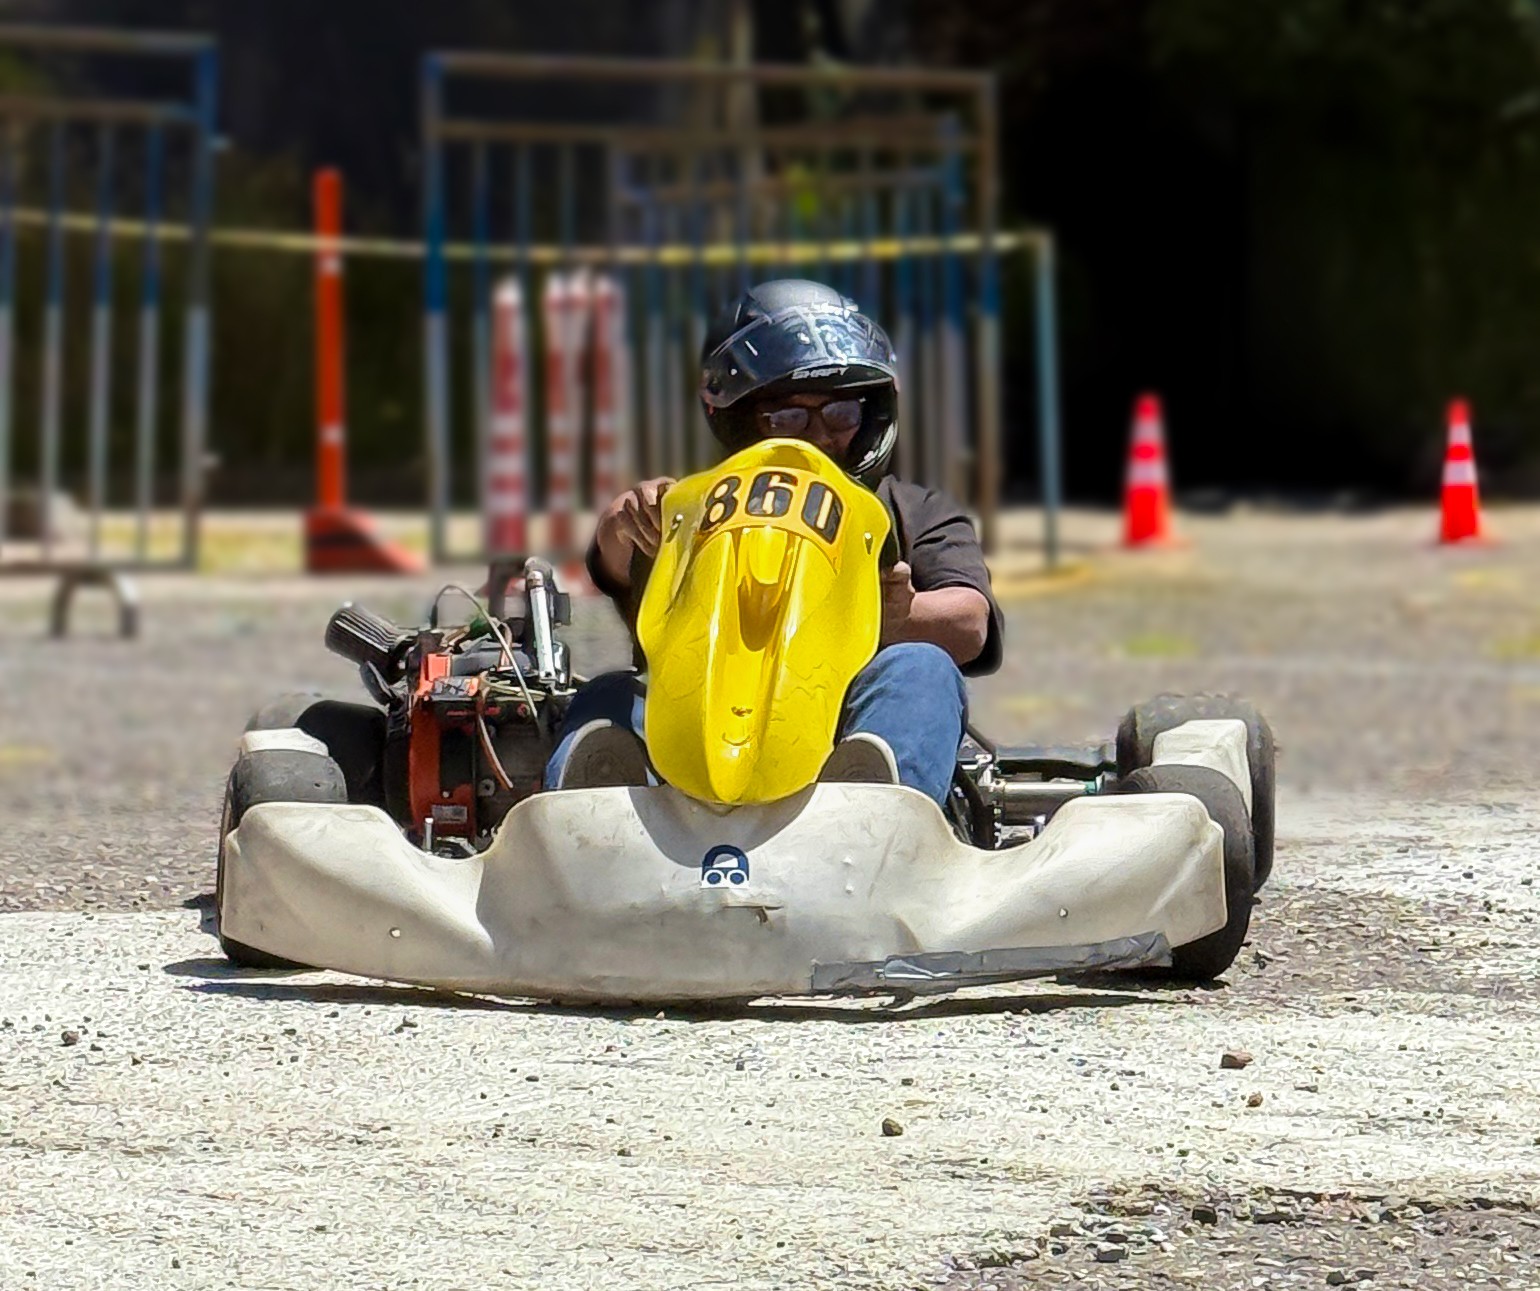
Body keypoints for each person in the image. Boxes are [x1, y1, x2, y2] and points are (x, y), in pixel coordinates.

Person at [544, 278, 1003, 807]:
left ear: (869, 413)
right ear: (743, 419)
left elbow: (970, 620)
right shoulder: (694, 508)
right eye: (786, 416)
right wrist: (620, 524)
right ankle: (591, 836)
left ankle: (872, 819)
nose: (817, 434)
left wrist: (899, 617)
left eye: (839, 413)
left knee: (922, 669)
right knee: (607, 695)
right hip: (698, 722)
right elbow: (616, 566)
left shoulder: (912, 508)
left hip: (841, 724)